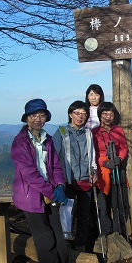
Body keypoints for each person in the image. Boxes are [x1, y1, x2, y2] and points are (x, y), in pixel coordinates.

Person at [11, 98, 75, 263]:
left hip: (52, 192)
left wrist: (61, 186)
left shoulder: (47, 139)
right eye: (33, 115)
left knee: (59, 235)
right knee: (44, 236)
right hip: (31, 195)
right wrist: (52, 191)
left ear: (46, 117)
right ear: (27, 118)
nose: (38, 119)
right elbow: (29, 173)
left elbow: (55, 165)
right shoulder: (19, 142)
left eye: (41, 115)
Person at [53, 100, 98, 252]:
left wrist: (94, 171)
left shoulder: (87, 133)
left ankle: (80, 245)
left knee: (84, 215)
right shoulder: (61, 132)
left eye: (84, 114)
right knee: (66, 214)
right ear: (70, 114)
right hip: (68, 180)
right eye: (77, 113)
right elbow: (54, 157)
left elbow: (92, 155)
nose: (80, 117)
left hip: (86, 179)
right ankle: (65, 244)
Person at [92, 101, 128, 235]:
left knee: (118, 203)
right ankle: (106, 233)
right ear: (99, 115)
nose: (108, 117)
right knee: (103, 206)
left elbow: (124, 147)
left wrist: (120, 158)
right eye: (105, 114)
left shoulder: (118, 130)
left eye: (111, 114)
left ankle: (119, 231)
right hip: (102, 174)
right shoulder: (94, 132)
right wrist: (104, 162)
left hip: (117, 171)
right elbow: (93, 153)